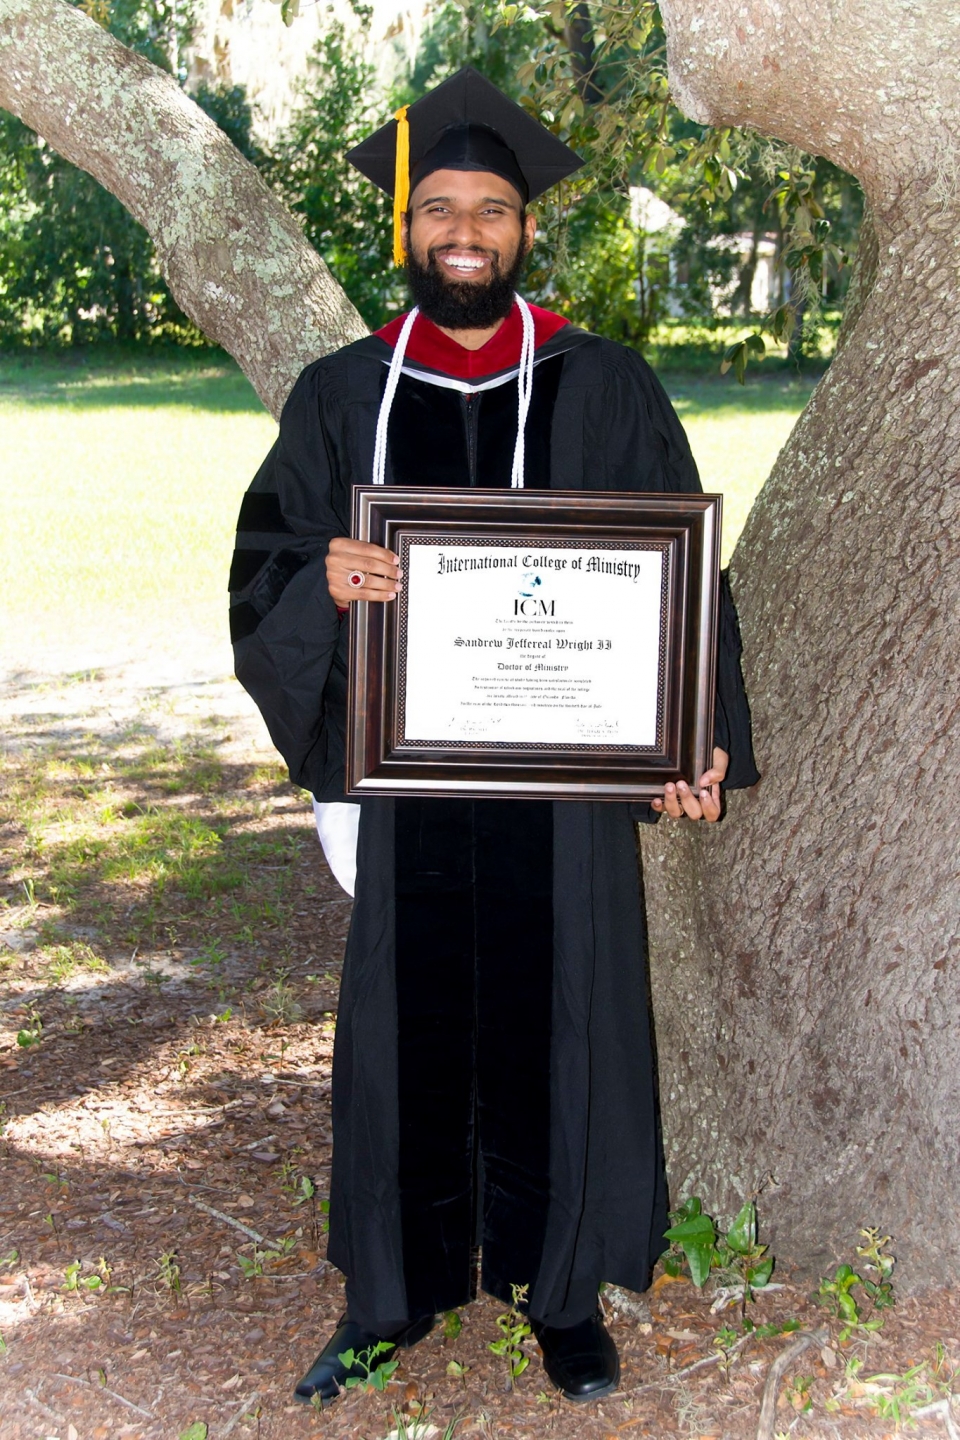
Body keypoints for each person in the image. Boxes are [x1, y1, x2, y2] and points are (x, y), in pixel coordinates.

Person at [229, 66, 759, 1407]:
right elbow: (268, 559)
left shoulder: (604, 383)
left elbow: (683, 579)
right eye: (439, 209)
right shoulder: (343, 393)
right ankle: (390, 1300)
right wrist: (326, 583)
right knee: (402, 1020)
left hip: (564, 785)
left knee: (568, 1007)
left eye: (491, 209)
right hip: (412, 789)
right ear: (407, 231)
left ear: (528, 230)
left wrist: (693, 735)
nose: (463, 230)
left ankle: (563, 1294)